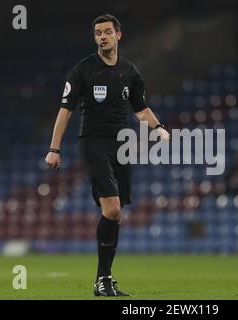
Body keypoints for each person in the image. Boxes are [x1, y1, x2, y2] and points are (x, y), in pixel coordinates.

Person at [45, 14, 170, 297]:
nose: (102, 36)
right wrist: (54, 148)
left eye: (107, 32)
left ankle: (106, 278)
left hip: (121, 145)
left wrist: (159, 127)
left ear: (118, 35)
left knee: (116, 215)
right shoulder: (83, 70)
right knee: (112, 209)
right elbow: (65, 110)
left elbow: (140, 108)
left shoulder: (130, 71)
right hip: (93, 143)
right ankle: (101, 279)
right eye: (98, 33)